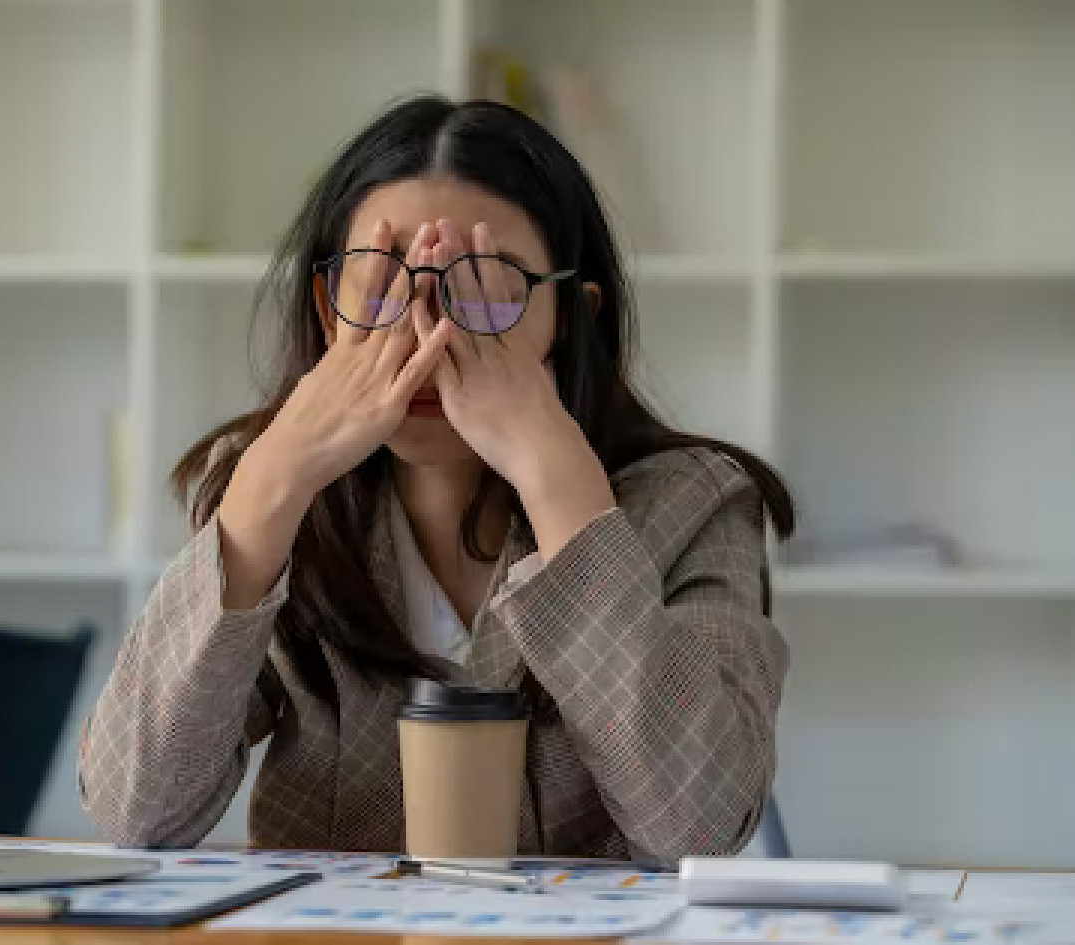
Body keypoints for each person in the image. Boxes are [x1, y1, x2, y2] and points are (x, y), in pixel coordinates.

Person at [80, 96, 794, 862]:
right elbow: (136, 809)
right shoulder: (278, 496)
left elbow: (700, 826)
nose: (426, 331)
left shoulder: (695, 502)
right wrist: (270, 482)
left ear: (573, 316)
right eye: (381, 281)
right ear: (328, 308)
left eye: (484, 286)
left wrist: (563, 487)